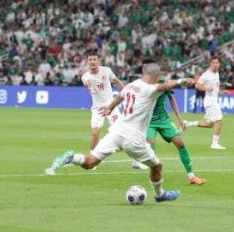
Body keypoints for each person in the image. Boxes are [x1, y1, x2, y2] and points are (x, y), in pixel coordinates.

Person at [47, 63, 195, 203]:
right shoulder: (149, 89)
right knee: (157, 166)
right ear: (154, 75)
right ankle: (159, 195)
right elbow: (166, 85)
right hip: (133, 138)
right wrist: (182, 80)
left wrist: (109, 108)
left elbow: (119, 97)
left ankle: (72, 158)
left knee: (90, 162)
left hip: (116, 132)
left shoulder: (132, 85)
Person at [80, 50, 147, 170]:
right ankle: (92, 160)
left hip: (111, 107)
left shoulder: (106, 71)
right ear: (87, 61)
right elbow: (87, 83)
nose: (92, 61)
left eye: (94, 59)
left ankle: (136, 161)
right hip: (97, 109)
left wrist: (127, 91)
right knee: (95, 132)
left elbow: (116, 81)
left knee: (125, 133)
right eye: (90, 59)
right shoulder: (86, 76)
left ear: (98, 61)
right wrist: (90, 86)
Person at [142, 59, 205, 185]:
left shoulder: (163, 81)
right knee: (151, 145)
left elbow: (171, 98)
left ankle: (191, 176)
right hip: (148, 122)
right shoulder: (142, 84)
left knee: (180, 143)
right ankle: (154, 177)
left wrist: (179, 117)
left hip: (164, 120)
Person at [183, 57, 226, 149]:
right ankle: (214, 144)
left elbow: (216, 87)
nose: (215, 64)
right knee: (219, 121)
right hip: (210, 102)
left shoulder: (217, 74)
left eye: (217, 63)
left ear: (219, 64)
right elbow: (197, 85)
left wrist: (221, 92)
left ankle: (187, 124)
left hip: (213, 101)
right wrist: (206, 89)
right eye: (213, 63)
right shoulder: (206, 74)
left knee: (209, 124)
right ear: (210, 64)